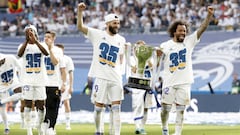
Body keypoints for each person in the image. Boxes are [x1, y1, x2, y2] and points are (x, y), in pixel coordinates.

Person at [159, 6, 215, 135]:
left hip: (185, 82)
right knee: (165, 109)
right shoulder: (165, 45)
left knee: (181, 110)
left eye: (184, 31)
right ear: (174, 32)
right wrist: (157, 55)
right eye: (180, 31)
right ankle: (165, 129)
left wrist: (209, 16)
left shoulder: (189, 42)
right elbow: (158, 62)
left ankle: (177, 133)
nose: (183, 33)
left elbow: (202, 28)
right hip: (169, 82)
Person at [77, 2, 126, 135]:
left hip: (116, 78)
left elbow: (121, 58)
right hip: (101, 77)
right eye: (114, 23)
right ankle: (98, 131)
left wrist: (122, 72)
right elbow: (80, 27)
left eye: (118, 23)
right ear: (107, 23)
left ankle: (116, 133)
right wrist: (80, 12)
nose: (117, 25)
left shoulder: (121, 39)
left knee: (116, 108)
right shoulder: (97, 34)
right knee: (99, 109)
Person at [17, 24, 49, 135]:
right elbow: (19, 54)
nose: (29, 33)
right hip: (27, 79)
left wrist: (35, 41)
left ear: (35, 32)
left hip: (40, 79)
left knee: (41, 105)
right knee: (27, 104)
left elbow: (46, 53)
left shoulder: (41, 44)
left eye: (31, 31)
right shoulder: (22, 45)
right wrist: (27, 41)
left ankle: (39, 126)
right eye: (27, 32)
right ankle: (29, 129)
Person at [125, 41, 160, 134]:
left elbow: (154, 68)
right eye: (139, 48)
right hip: (137, 86)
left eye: (143, 48)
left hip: (148, 85)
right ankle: (137, 126)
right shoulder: (132, 59)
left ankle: (142, 127)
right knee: (137, 106)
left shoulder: (150, 59)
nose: (141, 50)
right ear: (135, 49)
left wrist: (147, 58)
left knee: (146, 107)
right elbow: (131, 71)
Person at [42, 31, 66, 135]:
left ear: (53, 38)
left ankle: (51, 127)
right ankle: (44, 125)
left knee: (53, 107)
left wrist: (64, 83)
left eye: (49, 37)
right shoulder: (40, 48)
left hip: (54, 83)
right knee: (42, 107)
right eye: (45, 37)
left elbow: (59, 66)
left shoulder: (58, 50)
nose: (46, 39)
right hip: (42, 83)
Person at [0, 53, 23, 134]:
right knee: (3, 110)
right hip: (2, 87)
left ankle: (2, 101)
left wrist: (22, 79)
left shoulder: (11, 58)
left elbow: (20, 68)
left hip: (14, 82)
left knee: (21, 94)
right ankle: (6, 127)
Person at [56, 43, 75, 130]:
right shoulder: (53, 58)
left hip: (65, 84)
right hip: (55, 84)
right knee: (53, 104)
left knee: (66, 103)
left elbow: (71, 73)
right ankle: (53, 123)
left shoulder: (68, 59)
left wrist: (71, 86)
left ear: (63, 50)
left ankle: (68, 124)